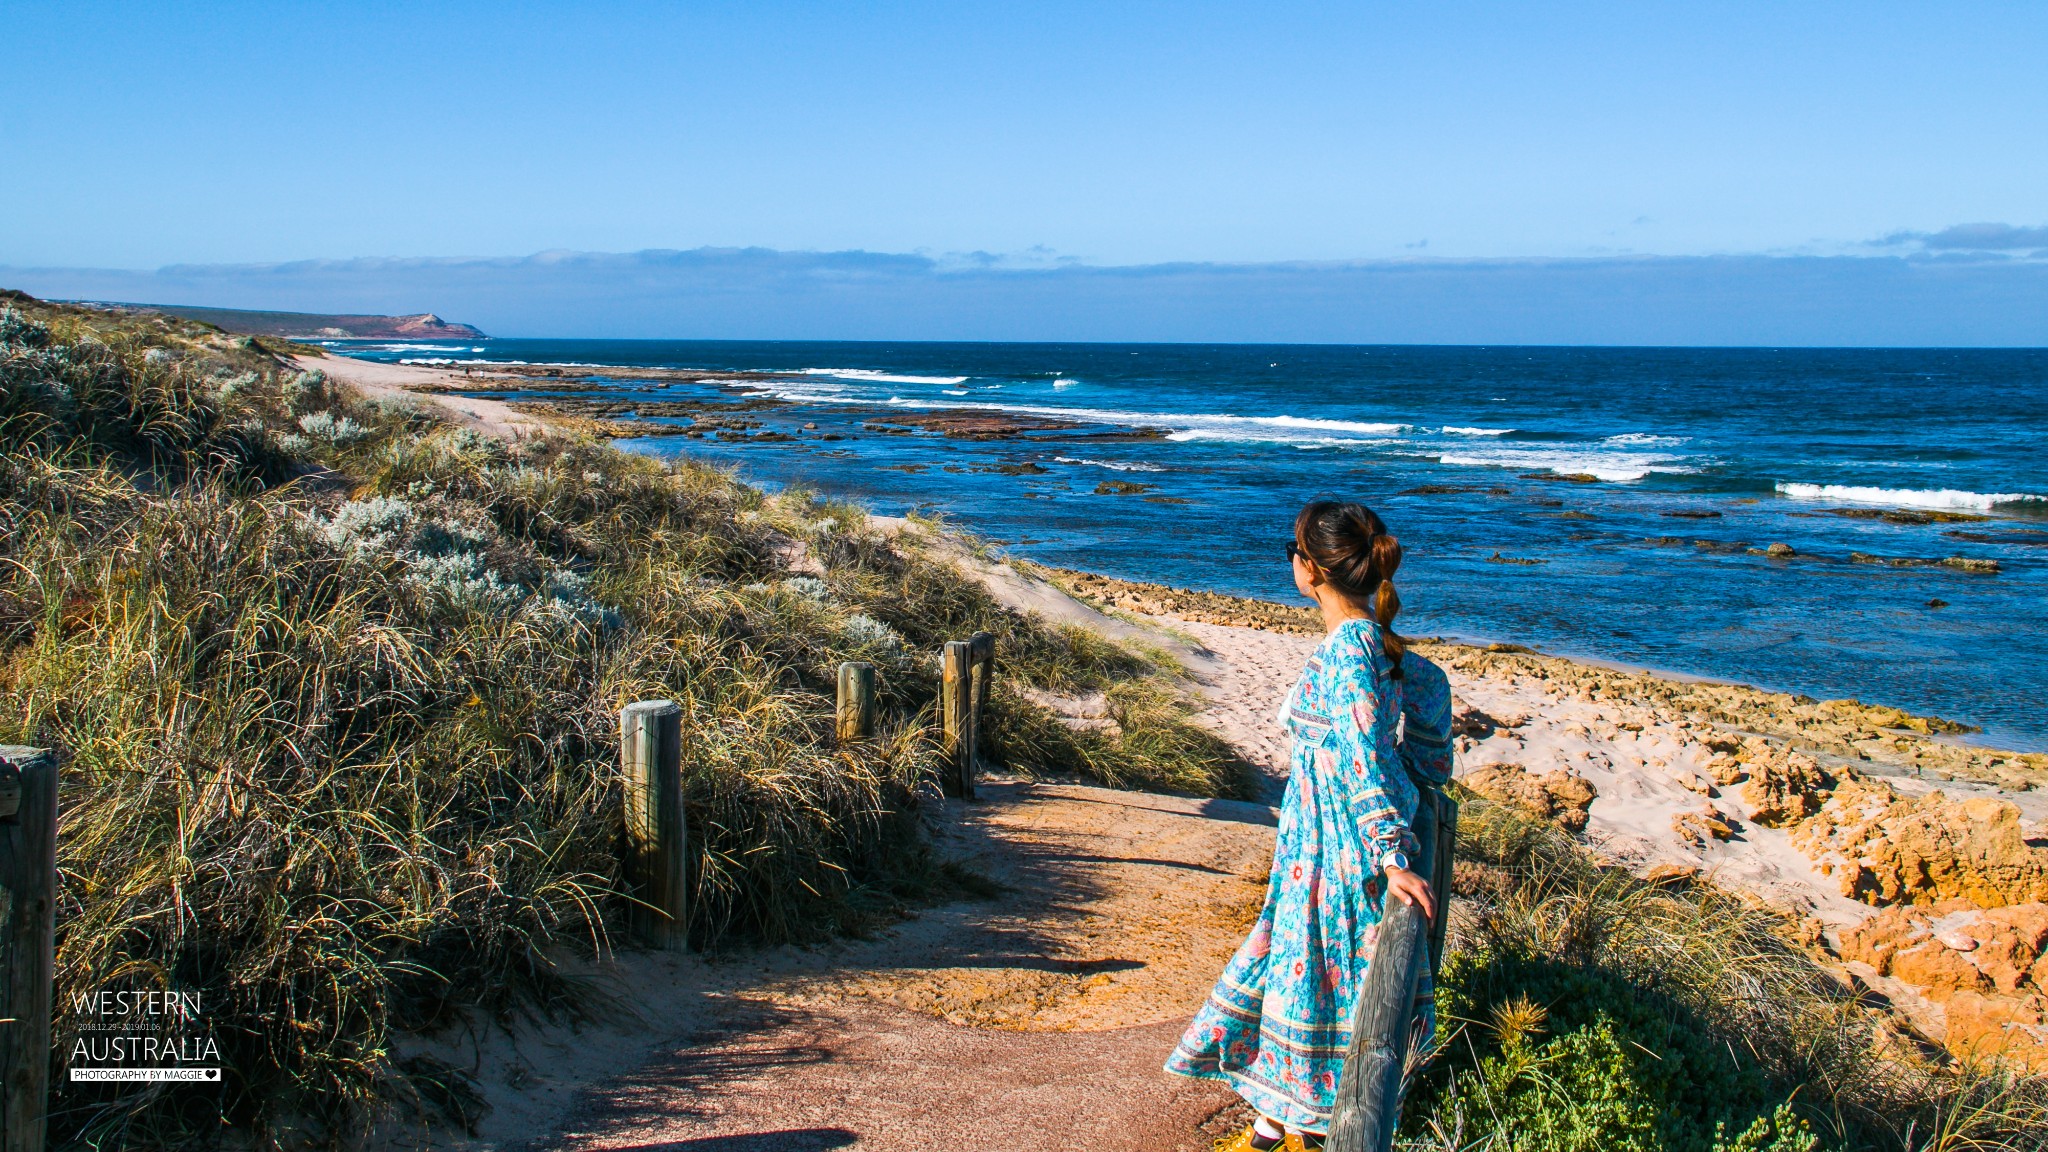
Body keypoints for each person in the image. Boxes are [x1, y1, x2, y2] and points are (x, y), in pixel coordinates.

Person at [1165, 500, 1454, 1151]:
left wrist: (1390, 854)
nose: (1290, 562)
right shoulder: (1368, 645)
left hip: (1335, 864)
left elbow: (1360, 754)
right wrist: (1421, 774)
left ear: (1313, 570)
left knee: (1321, 1003)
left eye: (1292, 551)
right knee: (1306, 1001)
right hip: (1312, 860)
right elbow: (1428, 726)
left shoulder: (1352, 646)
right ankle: (1275, 1127)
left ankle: (1289, 1133)